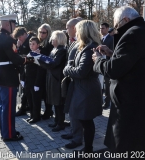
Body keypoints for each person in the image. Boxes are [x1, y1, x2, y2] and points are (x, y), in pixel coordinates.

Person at [92, 6, 145, 159]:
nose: (116, 30)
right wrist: (112, 54)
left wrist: (98, 61)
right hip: (143, 102)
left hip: (131, 107)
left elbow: (115, 70)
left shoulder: (133, 34)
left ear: (125, 20)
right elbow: (133, 62)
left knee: (126, 150)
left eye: (116, 26)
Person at [0, 14, 33, 141]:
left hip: (1, 74)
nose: (15, 28)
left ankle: (6, 131)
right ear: (8, 24)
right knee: (8, 108)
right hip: (7, 76)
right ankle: (9, 135)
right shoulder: (7, 39)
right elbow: (16, 59)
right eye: (14, 24)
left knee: (4, 107)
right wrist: (29, 59)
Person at [63, 20, 103, 155]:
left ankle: (88, 151)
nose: (76, 33)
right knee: (85, 120)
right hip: (83, 88)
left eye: (78, 30)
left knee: (86, 121)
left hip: (85, 90)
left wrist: (68, 68)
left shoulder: (90, 47)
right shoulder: (87, 46)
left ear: (84, 31)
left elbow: (81, 72)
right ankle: (87, 149)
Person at [35, 31, 67, 132]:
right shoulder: (55, 49)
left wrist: (39, 60)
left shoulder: (62, 50)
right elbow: (49, 60)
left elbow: (54, 63)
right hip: (52, 77)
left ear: (58, 39)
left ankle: (60, 123)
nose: (51, 40)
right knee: (54, 101)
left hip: (57, 78)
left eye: (53, 39)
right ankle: (57, 121)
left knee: (58, 102)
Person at [61, 18, 84, 149]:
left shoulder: (82, 43)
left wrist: (68, 69)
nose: (66, 30)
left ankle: (77, 138)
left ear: (75, 28)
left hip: (77, 81)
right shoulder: (72, 41)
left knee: (77, 111)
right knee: (71, 109)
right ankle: (73, 132)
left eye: (68, 27)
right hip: (71, 79)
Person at [12, 27, 35, 117]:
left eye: (19, 37)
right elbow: (18, 55)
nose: (19, 39)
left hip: (30, 69)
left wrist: (20, 47)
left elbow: (30, 56)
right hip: (23, 69)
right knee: (24, 89)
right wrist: (18, 46)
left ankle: (26, 108)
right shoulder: (21, 42)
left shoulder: (31, 40)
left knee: (27, 90)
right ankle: (24, 107)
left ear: (24, 34)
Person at [37, 23, 54, 120]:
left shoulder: (49, 43)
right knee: (43, 92)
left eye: (44, 32)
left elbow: (48, 57)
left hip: (46, 70)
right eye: (40, 32)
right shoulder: (39, 42)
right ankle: (47, 110)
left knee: (47, 92)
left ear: (48, 33)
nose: (41, 34)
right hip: (40, 70)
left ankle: (48, 111)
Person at [100, 22, 113, 109]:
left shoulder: (111, 39)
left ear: (108, 29)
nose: (101, 30)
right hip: (100, 64)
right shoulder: (100, 39)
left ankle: (107, 102)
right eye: (100, 28)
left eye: (103, 28)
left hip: (107, 64)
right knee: (101, 84)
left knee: (107, 85)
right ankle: (100, 101)